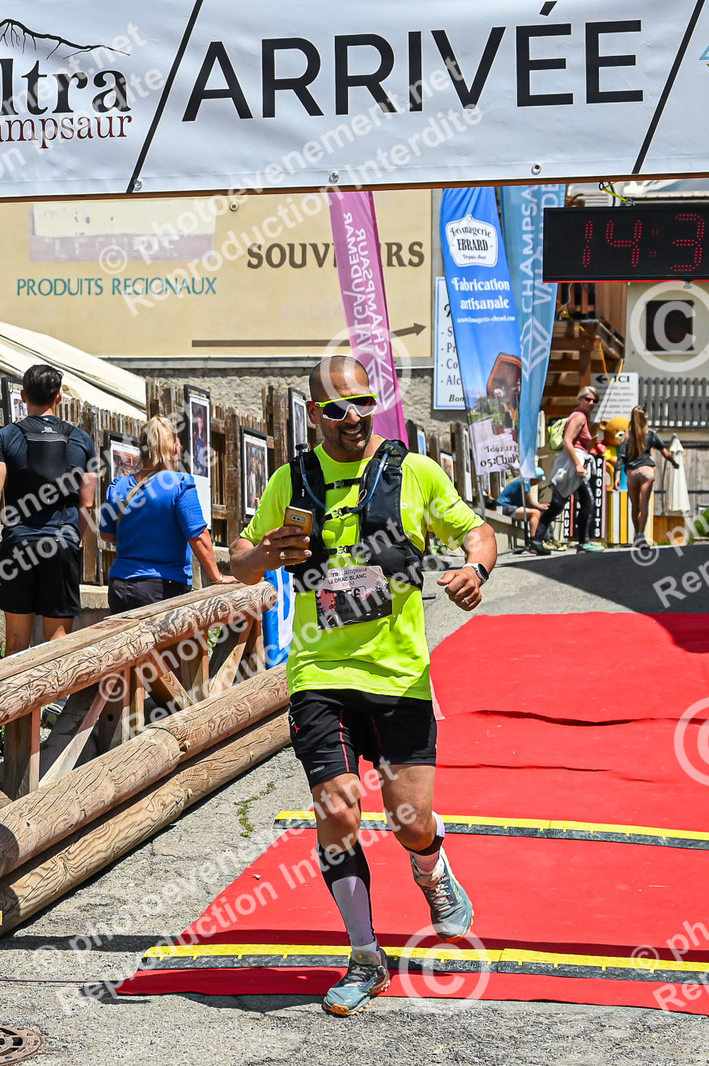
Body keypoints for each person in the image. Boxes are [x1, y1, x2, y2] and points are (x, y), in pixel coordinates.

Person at [231, 356, 497, 1017]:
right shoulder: (292, 480)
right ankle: (364, 957)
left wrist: (476, 570)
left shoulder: (415, 472)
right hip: (319, 673)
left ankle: (432, 866)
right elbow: (240, 561)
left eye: (364, 403)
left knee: (410, 821)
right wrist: (267, 554)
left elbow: (478, 532)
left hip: (399, 674)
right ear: (313, 414)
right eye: (337, 408)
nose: (353, 418)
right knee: (338, 810)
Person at [0, 365, 98, 654]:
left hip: (18, 546)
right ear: (59, 397)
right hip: (62, 544)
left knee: (17, 644)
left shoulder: (6, 437)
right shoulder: (81, 440)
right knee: (58, 644)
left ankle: (19, 687)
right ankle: (55, 686)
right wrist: (71, 540)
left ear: (23, 395)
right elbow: (88, 504)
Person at [99, 416, 234, 613]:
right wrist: (217, 577)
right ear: (176, 448)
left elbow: (106, 535)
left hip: (120, 586)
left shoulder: (118, 485)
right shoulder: (180, 484)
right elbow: (198, 536)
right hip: (164, 587)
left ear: (140, 448)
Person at [537, 386, 604, 553]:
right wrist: (578, 465)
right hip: (572, 465)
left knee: (558, 505)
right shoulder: (579, 417)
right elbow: (567, 441)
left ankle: (536, 541)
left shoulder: (582, 417)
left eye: (595, 401)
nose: (591, 403)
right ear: (580, 399)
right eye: (588, 399)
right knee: (586, 501)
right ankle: (583, 543)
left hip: (572, 463)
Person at [618, 406, 678, 547]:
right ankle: (641, 535)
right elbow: (665, 452)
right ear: (645, 416)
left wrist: (617, 476)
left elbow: (621, 458)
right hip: (647, 471)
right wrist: (674, 462)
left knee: (635, 506)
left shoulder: (626, 436)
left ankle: (636, 534)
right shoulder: (651, 434)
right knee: (644, 503)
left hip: (632, 472)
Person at [494, 475, 546, 544]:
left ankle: (542, 539)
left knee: (540, 513)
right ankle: (534, 541)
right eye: (539, 480)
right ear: (534, 478)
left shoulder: (525, 480)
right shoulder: (525, 482)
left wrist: (541, 505)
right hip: (506, 507)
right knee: (536, 513)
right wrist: (541, 507)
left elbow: (527, 502)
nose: (539, 482)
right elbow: (529, 502)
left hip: (512, 506)